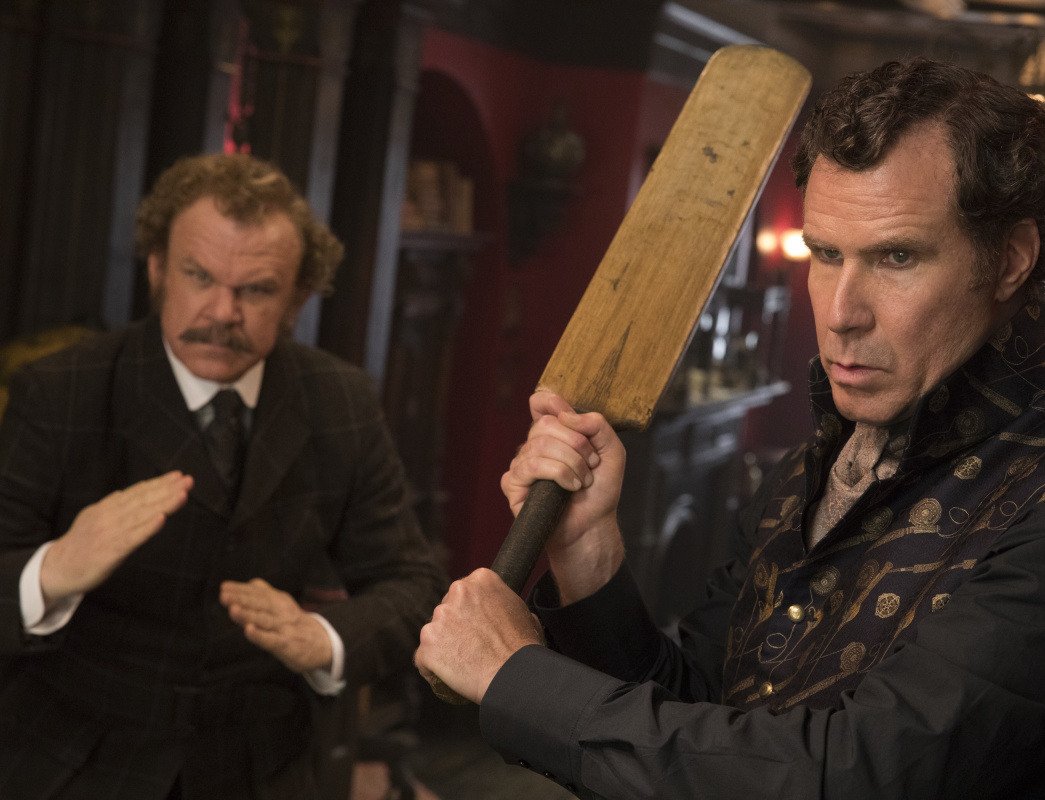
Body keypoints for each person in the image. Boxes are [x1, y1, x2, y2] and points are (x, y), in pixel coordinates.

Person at [414, 58, 1045, 798]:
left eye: (896, 257)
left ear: (1009, 261)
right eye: (825, 254)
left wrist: (519, 680)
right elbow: (706, 716)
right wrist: (588, 560)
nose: (841, 313)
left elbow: (851, 775)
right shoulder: (813, 472)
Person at [0, 153, 446, 800]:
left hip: (261, 765)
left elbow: (413, 585)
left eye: (256, 290)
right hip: (81, 758)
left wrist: (322, 638)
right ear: (158, 269)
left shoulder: (339, 400)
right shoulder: (61, 390)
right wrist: (52, 570)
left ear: (296, 298)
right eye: (199, 276)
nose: (222, 311)